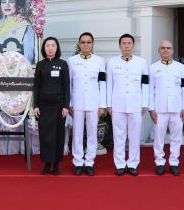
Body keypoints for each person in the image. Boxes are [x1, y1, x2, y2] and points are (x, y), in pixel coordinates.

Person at [106, 34, 149, 176]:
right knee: (119, 136)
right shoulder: (112, 62)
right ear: (119, 46)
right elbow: (109, 85)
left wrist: (145, 103)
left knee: (134, 136)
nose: (126, 46)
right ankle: (119, 164)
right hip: (117, 104)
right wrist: (108, 104)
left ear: (133, 45)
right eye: (123, 43)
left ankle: (132, 164)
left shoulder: (141, 62)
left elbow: (145, 84)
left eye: (129, 43)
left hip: (135, 104)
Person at [68, 32, 107, 176]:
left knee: (92, 133)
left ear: (93, 44)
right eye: (83, 42)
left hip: (93, 102)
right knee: (77, 133)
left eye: (88, 42)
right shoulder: (71, 61)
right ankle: (78, 162)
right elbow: (69, 84)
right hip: (77, 102)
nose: (86, 44)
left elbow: (102, 84)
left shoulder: (99, 61)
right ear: (79, 44)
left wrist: (102, 105)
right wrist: (70, 103)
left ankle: (90, 162)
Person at [149, 40, 184, 176]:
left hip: (177, 108)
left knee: (176, 137)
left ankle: (174, 163)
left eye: (168, 48)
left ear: (172, 50)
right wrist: (151, 109)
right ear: (159, 51)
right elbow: (149, 90)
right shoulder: (153, 68)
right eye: (163, 48)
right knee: (158, 137)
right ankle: (159, 162)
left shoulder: (180, 68)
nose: (166, 50)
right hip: (159, 109)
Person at [33, 37, 70, 175]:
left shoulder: (63, 64)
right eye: (47, 45)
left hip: (59, 106)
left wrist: (66, 106)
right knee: (45, 135)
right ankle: (47, 163)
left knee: (58, 135)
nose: (50, 48)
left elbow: (67, 86)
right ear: (44, 48)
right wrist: (35, 105)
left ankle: (56, 164)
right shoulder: (40, 65)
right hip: (43, 106)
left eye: (53, 45)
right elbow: (36, 86)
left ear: (57, 48)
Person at [0, 0, 36, 65]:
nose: (6, 5)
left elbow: (28, 55)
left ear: (18, 4)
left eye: (11, 2)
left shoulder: (25, 26)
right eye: (3, 2)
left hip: (16, 71)